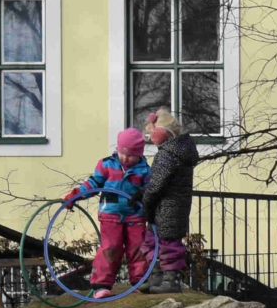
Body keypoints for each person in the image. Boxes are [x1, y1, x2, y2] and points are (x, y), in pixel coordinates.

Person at [67, 128, 153, 292]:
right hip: (110, 215)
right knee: (110, 247)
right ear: (118, 149)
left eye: (131, 155)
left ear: (139, 155)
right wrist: (75, 195)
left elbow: (150, 191)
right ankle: (101, 285)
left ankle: (140, 281)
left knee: (138, 247)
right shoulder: (106, 165)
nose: (125, 158)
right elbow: (93, 184)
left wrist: (149, 205)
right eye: (122, 153)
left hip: (135, 216)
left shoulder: (144, 170)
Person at [141, 111, 200, 293]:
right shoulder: (178, 151)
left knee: (168, 243)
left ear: (163, 131)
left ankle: (170, 280)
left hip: (167, 207)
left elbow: (156, 184)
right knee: (153, 240)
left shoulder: (168, 154)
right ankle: (157, 277)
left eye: (152, 131)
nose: (150, 136)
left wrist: (145, 200)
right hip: (172, 207)